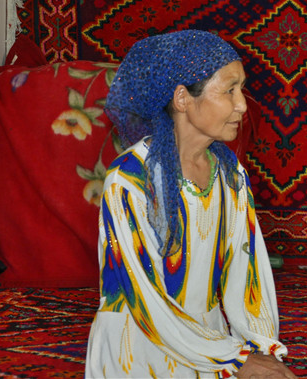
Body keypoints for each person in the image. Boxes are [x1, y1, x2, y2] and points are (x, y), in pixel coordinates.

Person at [85, 30, 296, 379]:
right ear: (182, 98)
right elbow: (144, 297)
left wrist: (260, 348)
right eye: (229, 90)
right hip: (139, 349)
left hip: (209, 344)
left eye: (241, 89)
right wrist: (236, 360)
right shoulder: (129, 180)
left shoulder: (230, 174)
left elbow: (247, 274)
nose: (242, 105)